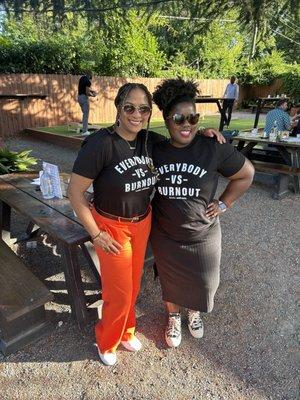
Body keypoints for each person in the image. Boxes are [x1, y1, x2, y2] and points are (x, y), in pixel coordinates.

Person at [68, 82, 223, 366]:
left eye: (143, 109)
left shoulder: (148, 140)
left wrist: (203, 134)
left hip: (143, 222)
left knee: (133, 285)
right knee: (118, 291)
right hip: (111, 226)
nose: (136, 114)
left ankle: (126, 331)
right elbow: (74, 193)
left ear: (149, 113)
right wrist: (96, 234)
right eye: (129, 107)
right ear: (118, 108)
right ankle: (107, 339)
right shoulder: (101, 144)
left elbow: (182, 138)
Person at [151, 78, 254, 348]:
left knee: (205, 281)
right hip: (166, 234)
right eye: (179, 118)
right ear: (166, 119)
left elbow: (246, 174)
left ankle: (194, 311)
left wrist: (223, 204)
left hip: (203, 234)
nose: (187, 124)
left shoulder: (212, 147)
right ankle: (173, 315)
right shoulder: (154, 148)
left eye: (193, 117)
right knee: (170, 280)